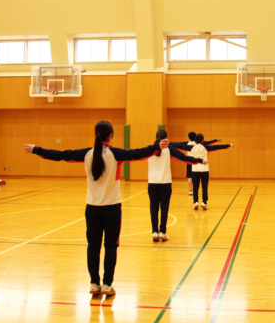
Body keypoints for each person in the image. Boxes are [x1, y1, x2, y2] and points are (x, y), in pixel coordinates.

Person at [24, 121, 169, 296]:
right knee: (111, 247)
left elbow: (62, 155)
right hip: (112, 208)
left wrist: (36, 150)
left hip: (92, 208)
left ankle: (94, 283)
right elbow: (137, 154)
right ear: (111, 136)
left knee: (93, 246)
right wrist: (156, 147)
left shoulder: (87, 154)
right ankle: (107, 284)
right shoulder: (115, 154)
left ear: (96, 135)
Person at [148, 129, 206, 242]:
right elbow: (184, 158)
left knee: (153, 208)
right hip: (165, 184)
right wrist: (199, 160)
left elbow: (135, 154)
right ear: (166, 138)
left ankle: (155, 231)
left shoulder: (149, 149)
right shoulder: (169, 149)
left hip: (152, 183)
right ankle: (162, 232)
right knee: (164, 209)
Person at [171, 135, 233, 210]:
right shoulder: (206, 147)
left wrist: (169, 143)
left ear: (195, 141)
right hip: (204, 170)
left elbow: (180, 146)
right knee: (204, 187)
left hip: (195, 170)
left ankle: (196, 202)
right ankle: (204, 202)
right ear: (203, 140)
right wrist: (228, 145)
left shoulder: (191, 148)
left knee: (195, 187)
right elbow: (217, 147)